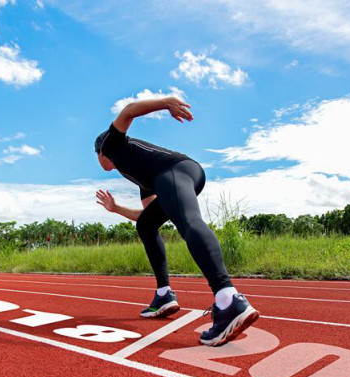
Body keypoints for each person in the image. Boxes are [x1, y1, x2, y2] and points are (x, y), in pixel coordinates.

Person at [94, 97, 259, 346]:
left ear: (100, 152)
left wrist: (165, 103)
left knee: (190, 222)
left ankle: (228, 299)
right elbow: (147, 217)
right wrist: (116, 208)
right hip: (178, 175)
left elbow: (128, 112)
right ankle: (164, 295)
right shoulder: (140, 174)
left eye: (96, 157)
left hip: (176, 170)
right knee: (146, 226)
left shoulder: (111, 143)